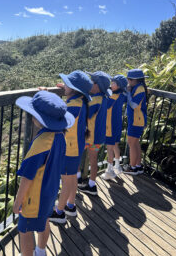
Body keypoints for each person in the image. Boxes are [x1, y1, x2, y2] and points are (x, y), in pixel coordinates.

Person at [13, 90, 75, 256]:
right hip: (50, 192)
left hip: (35, 196)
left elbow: (27, 178)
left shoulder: (40, 144)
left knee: (25, 230)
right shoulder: (60, 137)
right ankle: (41, 251)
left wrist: (18, 201)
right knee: (44, 221)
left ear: (39, 119)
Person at [49, 70, 93, 223]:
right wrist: (66, 88)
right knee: (72, 177)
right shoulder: (80, 100)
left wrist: (48, 97)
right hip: (76, 147)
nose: (64, 86)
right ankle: (70, 205)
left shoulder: (74, 105)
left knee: (67, 181)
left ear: (73, 89)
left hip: (69, 149)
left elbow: (62, 117)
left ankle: (59, 213)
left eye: (67, 84)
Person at [77, 71, 111, 195]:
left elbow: (86, 112)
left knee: (76, 155)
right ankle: (91, 184)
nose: (90, 83)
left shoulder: (95, 100)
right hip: (98, 136)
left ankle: (79, 179)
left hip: (90, 136)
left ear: (97, 86)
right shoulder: (103, 98)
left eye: (92, 81)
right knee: (93, 160)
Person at [101, 75, 128, 180]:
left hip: (110, 126)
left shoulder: (113, 97)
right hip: (117, 124)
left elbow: (105, 106)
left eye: (113, 83)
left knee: (109, 148)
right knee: (115, 145)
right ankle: (117, 165)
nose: (111, 85)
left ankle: (109, 170)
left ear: (119, 85)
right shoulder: (122, 95)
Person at [123, 69, 148, 175]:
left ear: (134, 80)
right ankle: (138, 166)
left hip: (136, 120)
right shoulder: (138, 87)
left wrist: (128, 92)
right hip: (138, 120)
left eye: (129, 79)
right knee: (135, 143)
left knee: (131, 143)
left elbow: (134, 105)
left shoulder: (140, 89)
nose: (128, 81)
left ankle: (132, 168)